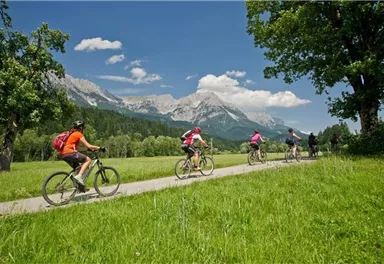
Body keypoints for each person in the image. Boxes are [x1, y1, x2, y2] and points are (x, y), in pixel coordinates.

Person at [59, 120, 104, 187]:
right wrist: (100, 148)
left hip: (62, 154)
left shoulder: (72, 134)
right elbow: (88, 145)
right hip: (69, 152)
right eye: (83, 128)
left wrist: (88, 149)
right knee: (88, 160)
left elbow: (79, 148)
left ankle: (79, 187)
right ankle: (79, 177)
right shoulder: (78, 134)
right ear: (80, 128)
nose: (83, 129)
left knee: (78, 168)